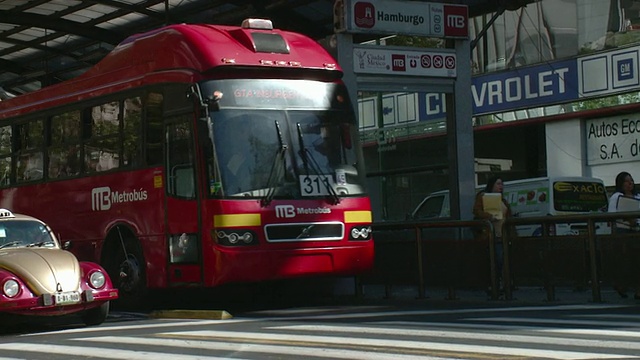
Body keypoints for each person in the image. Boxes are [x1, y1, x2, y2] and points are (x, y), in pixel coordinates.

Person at [473, 175, 513, 293]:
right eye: (498, 184)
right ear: (492, 185)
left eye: (502, 184)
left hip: (503, 233)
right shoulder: (483, 196)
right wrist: (489, 216)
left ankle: (502, 283)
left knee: (503, 259)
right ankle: (495, 283)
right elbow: (476, 211)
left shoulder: (503, 200)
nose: (501, 186)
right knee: (497, 259)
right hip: (490, 234)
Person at [607, 171, 640, 299]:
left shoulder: (637, 196)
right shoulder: (616, 196)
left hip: (636, 231)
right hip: (623, 232)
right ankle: (622, 284)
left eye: (631, 180)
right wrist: (627, 219)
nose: (630, 183)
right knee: (626, 261)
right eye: (627, 181)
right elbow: (612, 214)